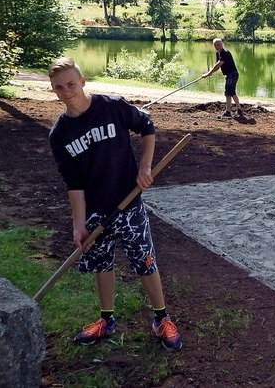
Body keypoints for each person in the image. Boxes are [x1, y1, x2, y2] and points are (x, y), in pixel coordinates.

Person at [47, 57, 182, 351]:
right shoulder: (59, 135)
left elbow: (147, 126)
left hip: (128, 202)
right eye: (59, 87)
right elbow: (74, 184)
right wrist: (79, 224)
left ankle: (162, 318)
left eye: (71, 84)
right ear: (53, 90)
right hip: (97, 210)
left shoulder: (111, 106)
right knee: (101, 263)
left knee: (145, 261)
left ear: (82, 82)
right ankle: (106, 321)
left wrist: (144, 169)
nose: (67, 91)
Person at [202, 38, 244, 118]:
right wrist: (211, 73)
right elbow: (217, 67)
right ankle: (228, 111)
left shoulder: (224, 52)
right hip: (229, 75)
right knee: (227, 93)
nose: (217, 46)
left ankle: (239, 110)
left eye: (218, 45)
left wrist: (208, 73)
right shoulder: (218, 53)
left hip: (233, 74)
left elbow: (218, 64)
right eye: (215, 45)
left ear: (222, 44)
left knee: (231, 92)